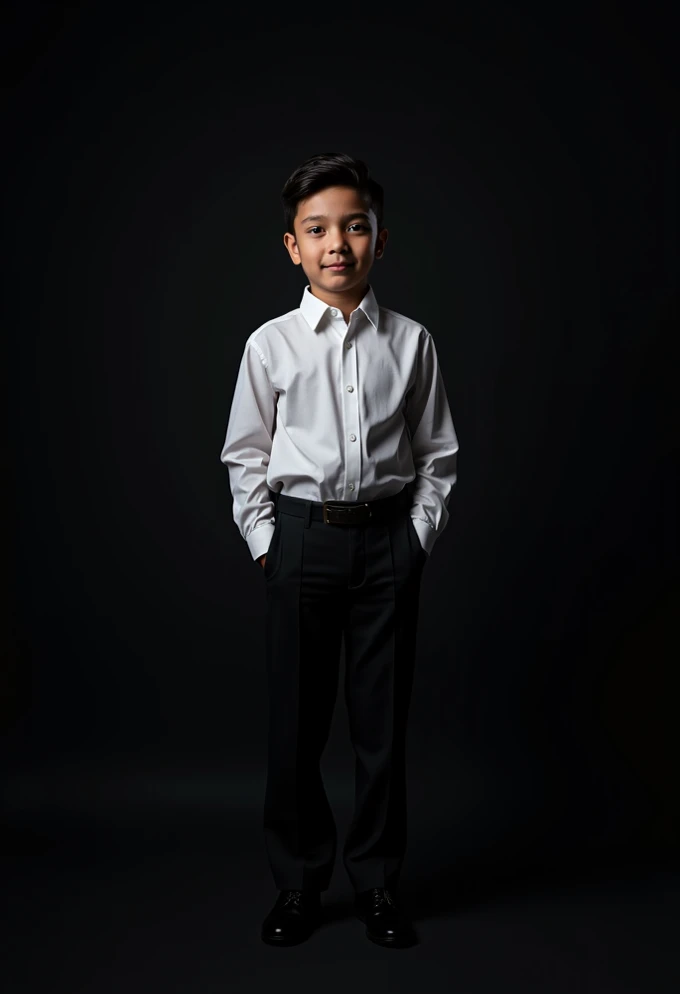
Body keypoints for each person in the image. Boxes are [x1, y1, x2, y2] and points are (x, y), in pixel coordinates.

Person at [219, 152, 459, 948]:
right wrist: (266, 543)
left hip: (388, 542)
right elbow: (245, 455)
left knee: (380, 728)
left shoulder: (411, 342)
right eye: (316, 230)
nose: (336, 245)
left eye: (353, 227)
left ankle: (378, 885)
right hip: (301, 541)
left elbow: (438, 454)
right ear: (292, 246)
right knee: (295, 726)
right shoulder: (271, 345)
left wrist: (417, 535)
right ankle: (298, 885)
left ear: (379, 240)